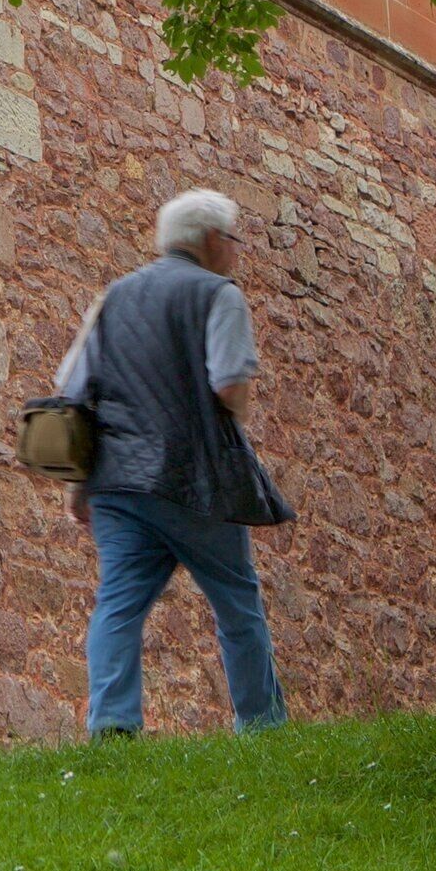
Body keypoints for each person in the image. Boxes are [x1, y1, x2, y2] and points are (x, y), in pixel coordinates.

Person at [52, 187, 289, 736]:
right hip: (195, 480)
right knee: (236, 602)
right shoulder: (218, 295)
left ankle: (112, 725)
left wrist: (78, 487)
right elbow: (229, 385)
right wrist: (236, 421)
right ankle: (261, 724)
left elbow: (72, 388)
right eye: (233, 240)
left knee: (117, 604)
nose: (235, 251)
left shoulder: (114, 296)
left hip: (116, 481)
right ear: (210, 240)